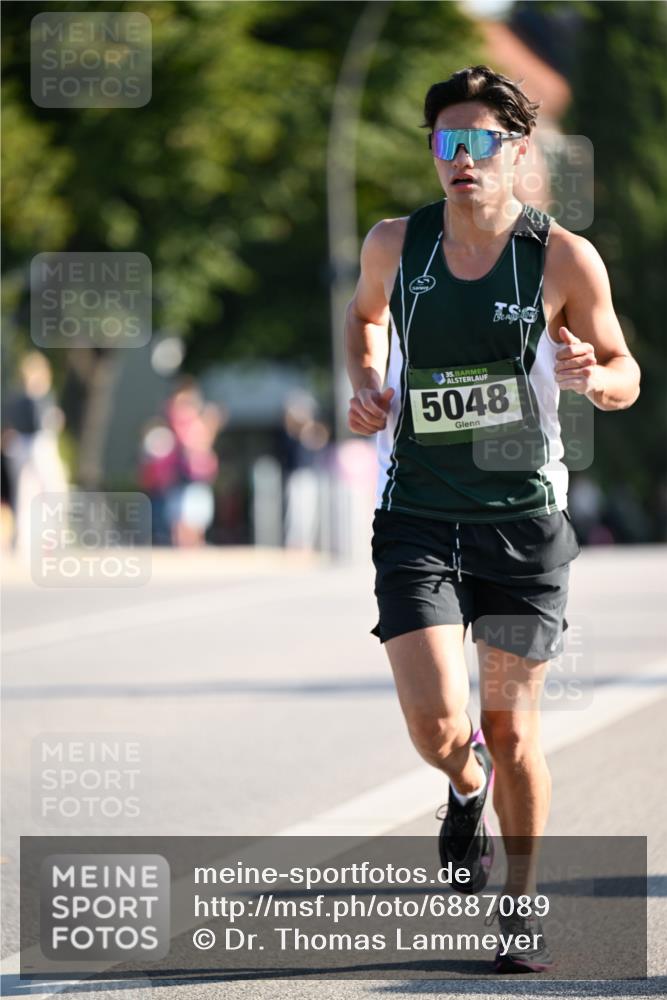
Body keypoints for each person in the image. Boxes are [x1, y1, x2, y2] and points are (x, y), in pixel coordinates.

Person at [344, 65, 640, 973]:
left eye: (478, 143)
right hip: (418, 518)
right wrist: (368, 384)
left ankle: (516, 904)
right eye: (445, 143)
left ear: (515, 151)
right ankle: (461, 786)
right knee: (438, 728)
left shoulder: (560, 257)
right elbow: (363, 321)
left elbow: (628, 373)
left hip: (520, 525)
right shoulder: (397, 244)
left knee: (513, 730)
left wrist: (598, 376)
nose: (460, 160)